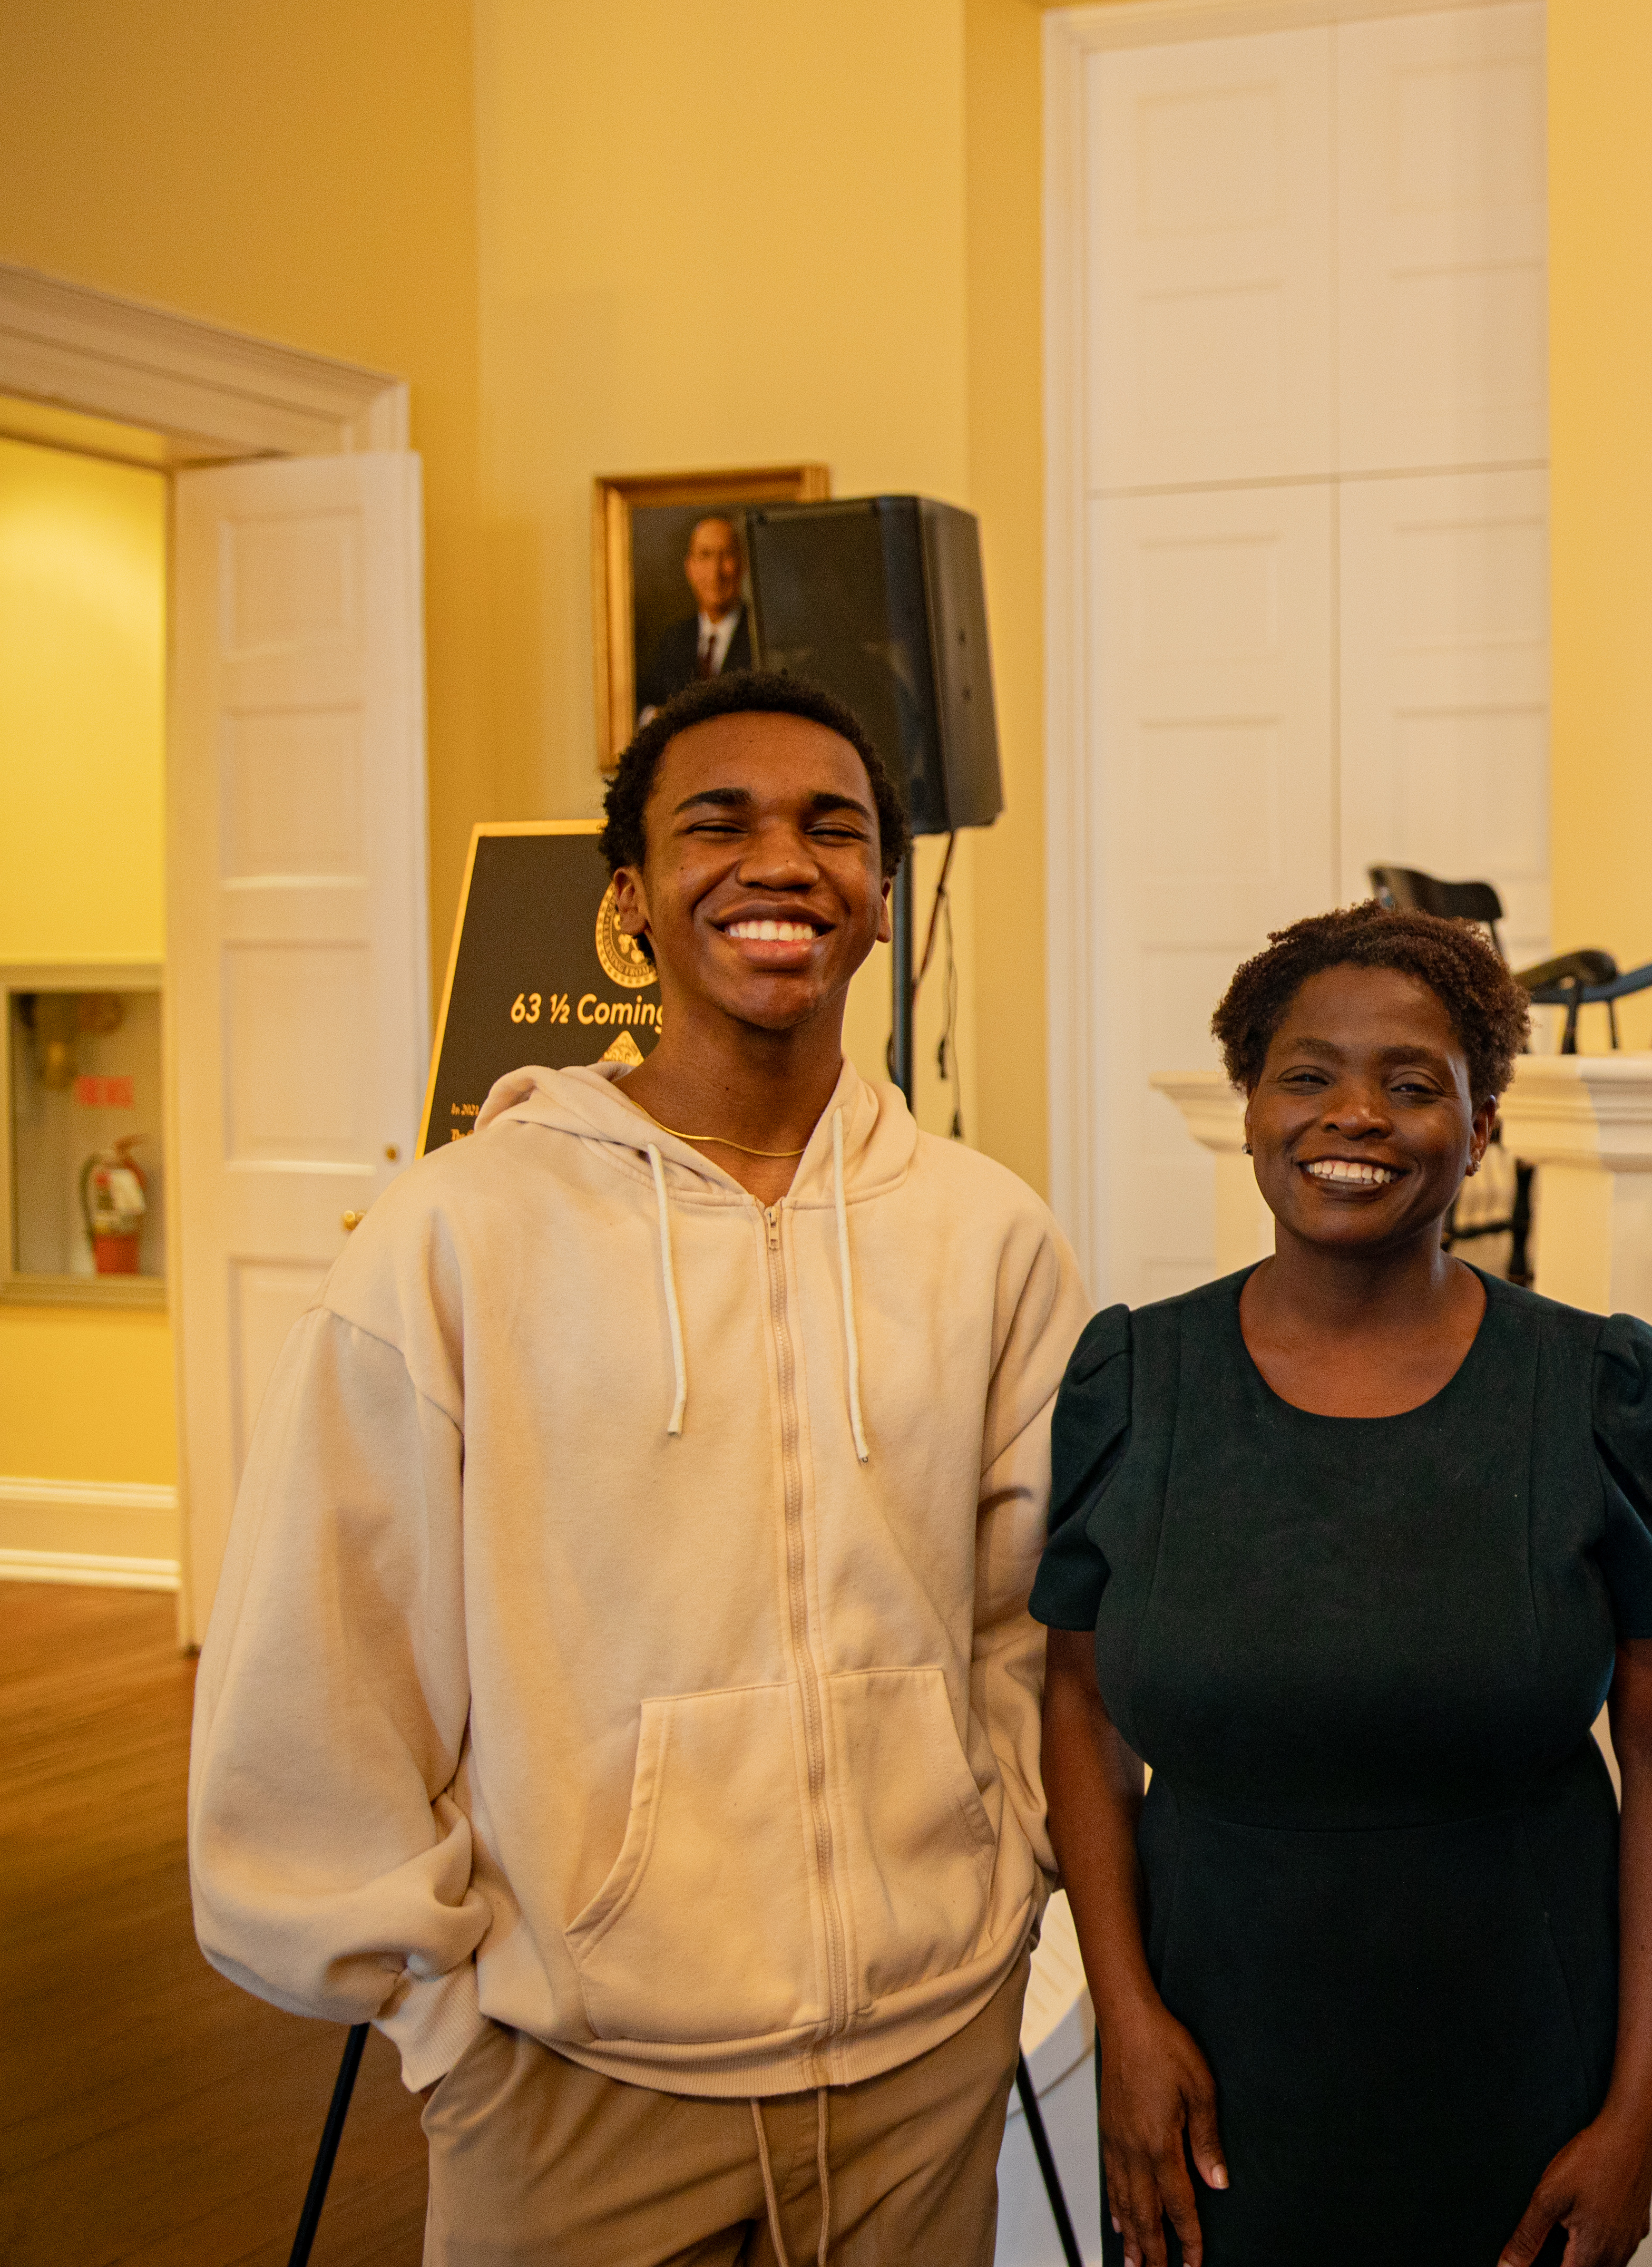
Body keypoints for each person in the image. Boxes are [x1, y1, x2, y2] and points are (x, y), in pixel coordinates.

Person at [190, 670, 1090, 2264]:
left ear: (883, 897)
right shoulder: (460, 1231)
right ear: (630, 899)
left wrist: (996, 1875)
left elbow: (1037, 1615)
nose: (781, 862)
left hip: (923, 2059)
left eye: (833, 828)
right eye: (717, 823)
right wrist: (432, 1998)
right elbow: (327, 1640)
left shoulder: (987, 1234)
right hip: (571, 2078)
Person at [1037, 903, 1652, 2267]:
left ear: (1479, 1132)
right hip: (1208, 2053)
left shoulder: (1597, 1392)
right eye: (1309, 1075)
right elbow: (1079, 1707)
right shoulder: (1128, 1384)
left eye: (1414, 1085)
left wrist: (1640, 2113)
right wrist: (1123, 2018)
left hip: (1519, 2064)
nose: (1354, 1116)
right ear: (1248, 1108)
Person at [636, 511, 755, 723]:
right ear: (690, 568)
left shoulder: (761, 639)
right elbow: (640, 708)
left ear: (743, 565)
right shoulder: (673, 641)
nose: (715, 571)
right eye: (705, 555)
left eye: (726, 555)